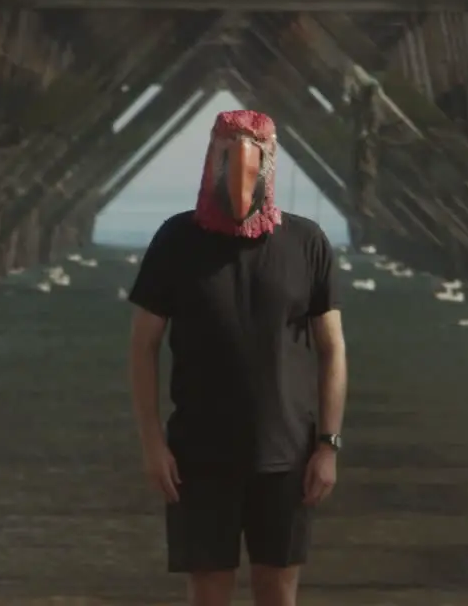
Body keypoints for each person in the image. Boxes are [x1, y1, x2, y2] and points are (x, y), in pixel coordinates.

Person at [127, 110, 349, 606]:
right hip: (198, 457)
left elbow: (332, 348)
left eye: (254, 151)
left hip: (286, 454)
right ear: (211, 159)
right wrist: (152, 443)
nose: (241, 163)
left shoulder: (307, 242)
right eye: (226, 151)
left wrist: (328, 445)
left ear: (272, 162)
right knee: (208, 595)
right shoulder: (176, 240)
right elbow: (143, 346)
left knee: (278, 594)